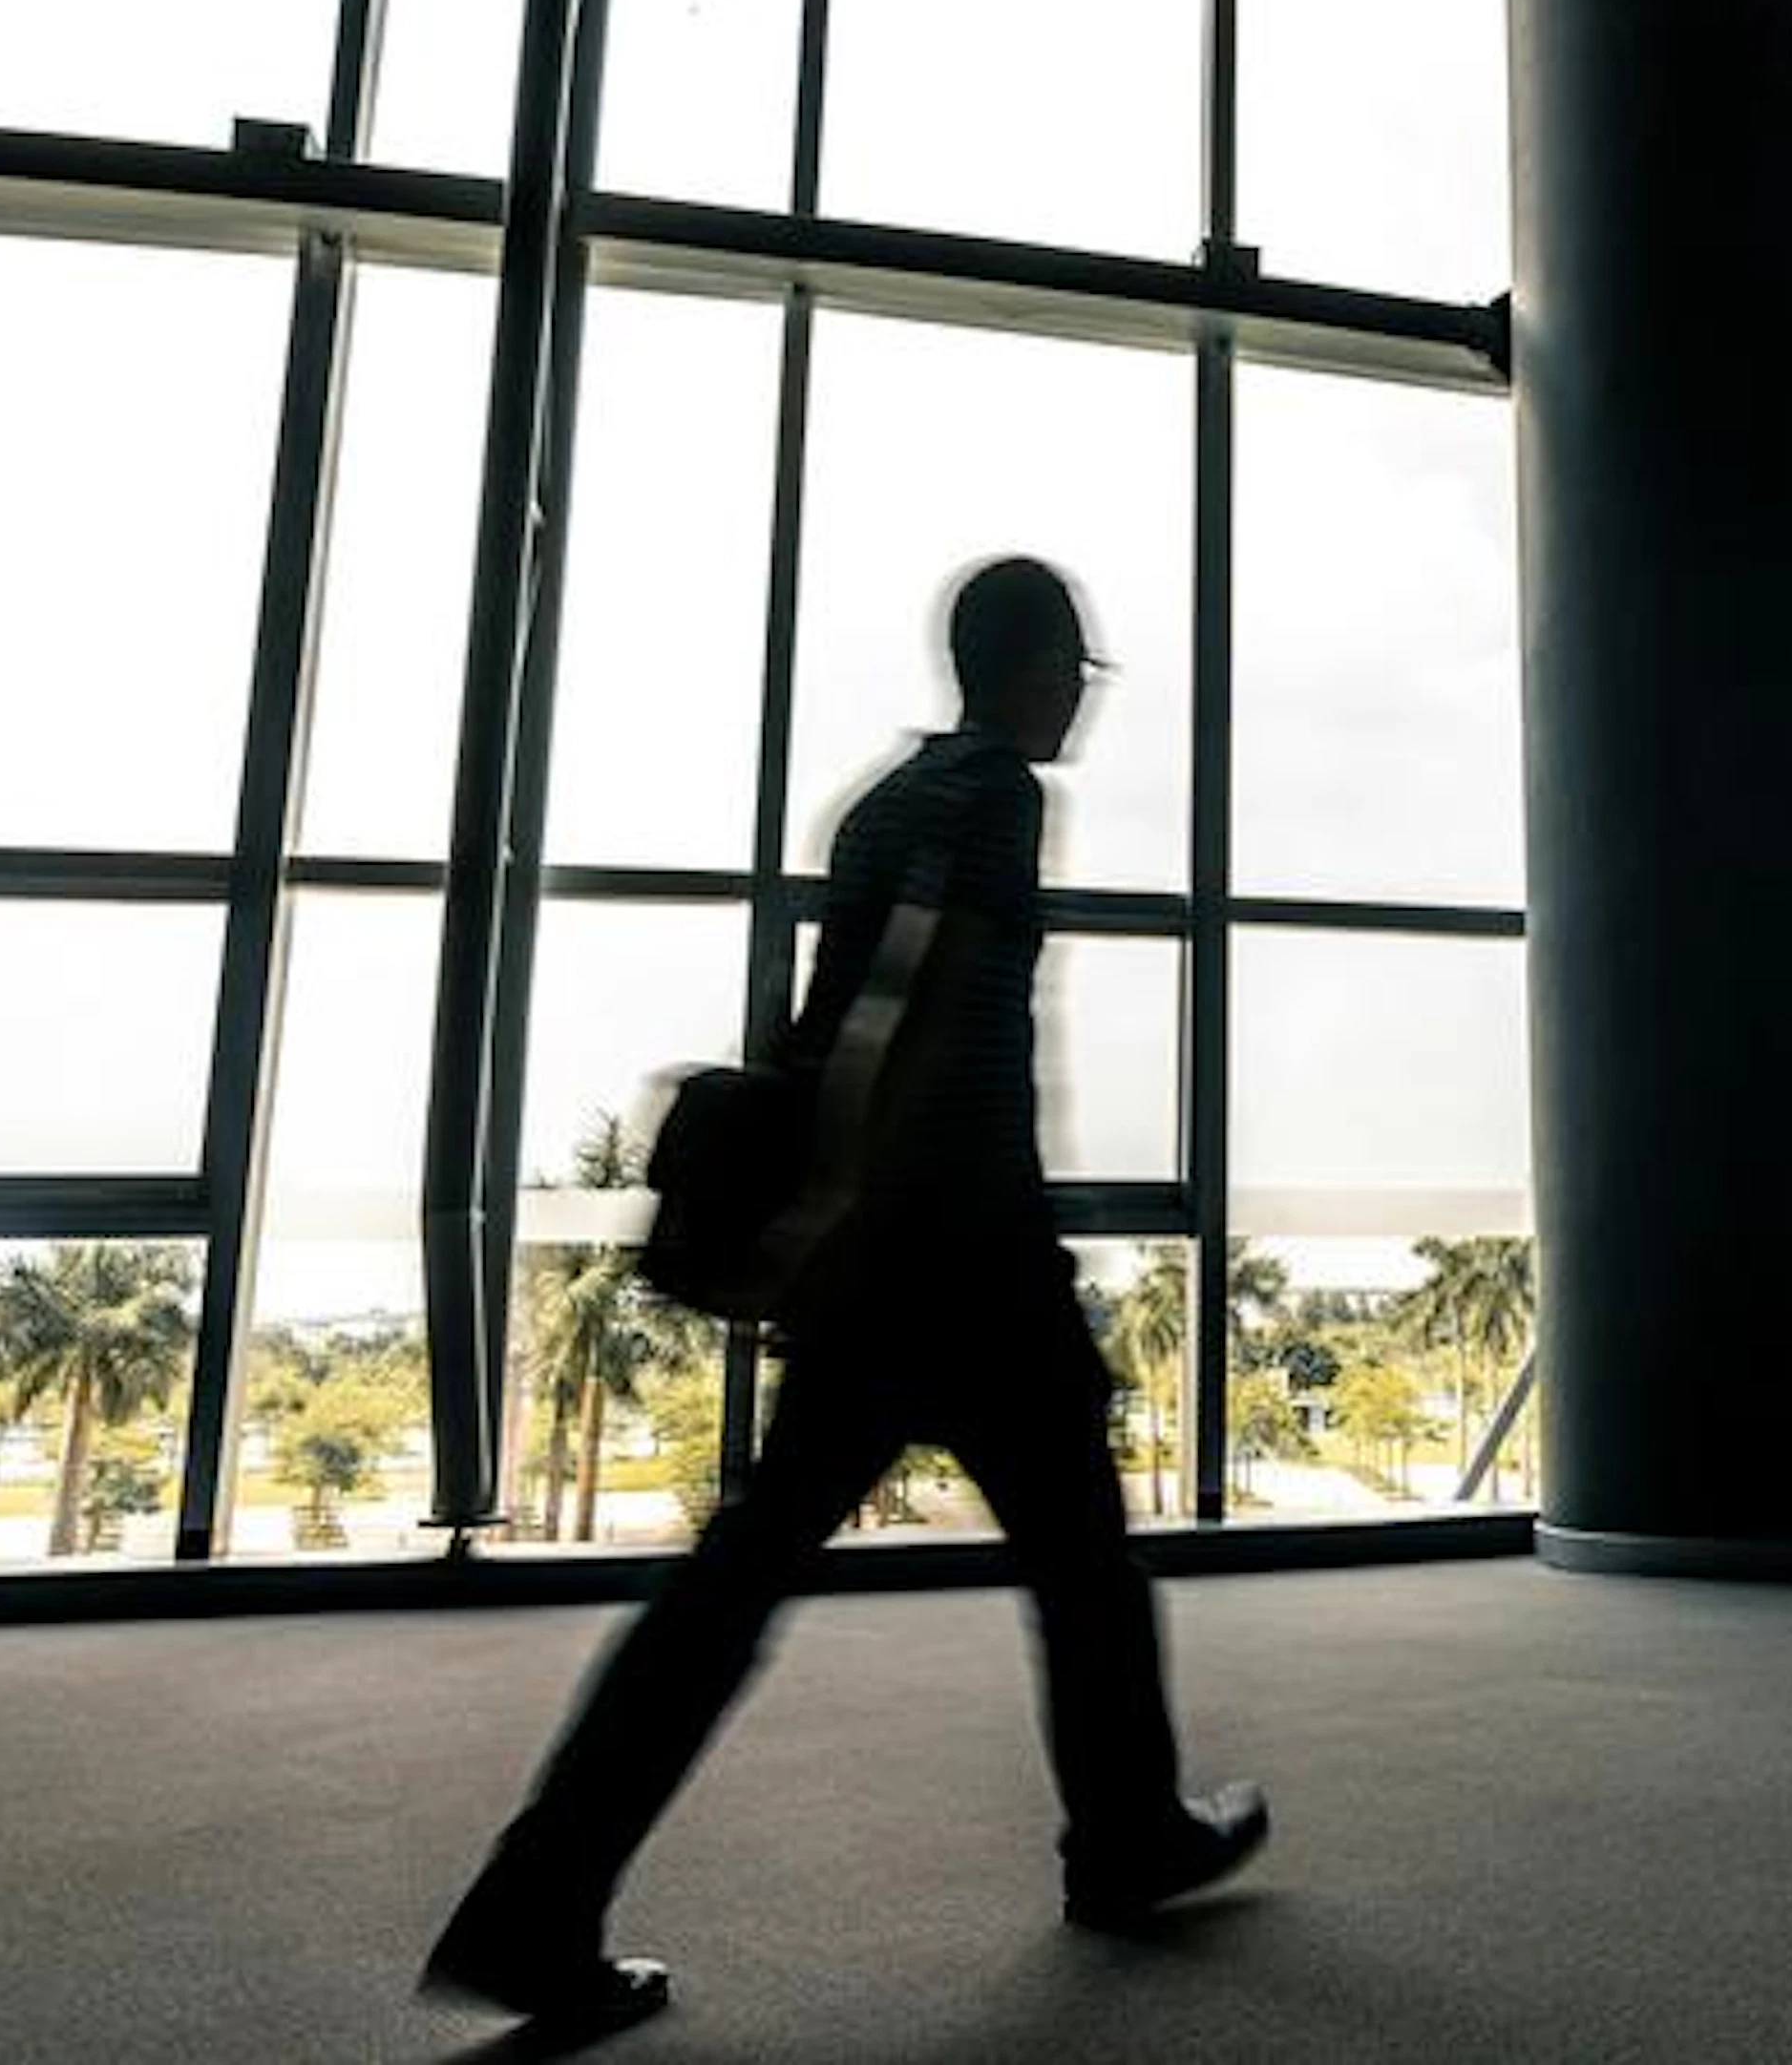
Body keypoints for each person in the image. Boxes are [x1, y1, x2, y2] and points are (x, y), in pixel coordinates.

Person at [421, 556, 1266, 2039]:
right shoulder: (996, 794)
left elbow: (821, 1015)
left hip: (883, 1269)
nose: (1082, 698)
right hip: (960, 1256)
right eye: (1079, 670)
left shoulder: (883, 800)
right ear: (1034, 663)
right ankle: (1128, 1835)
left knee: (734, 1588)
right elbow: (904, 1013)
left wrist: (826, 1226)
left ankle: (536, 1900)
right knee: (1082, 1560)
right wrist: (854, 1215)